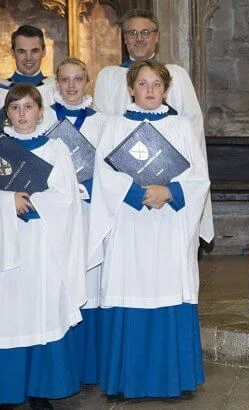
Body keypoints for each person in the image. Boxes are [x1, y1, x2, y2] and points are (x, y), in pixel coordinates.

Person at [87, 60, 211, 398]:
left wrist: (169, 192)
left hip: (169, 224)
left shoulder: (182, 126)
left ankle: (175, 380)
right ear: (131, 88)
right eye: (143, 84)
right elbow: (104, 176)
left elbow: (199, 177)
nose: (151, 90)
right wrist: (137, 194)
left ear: (166, 89)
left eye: (157, 84)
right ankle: (126, 381)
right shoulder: (113, 126)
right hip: (129, 224)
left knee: (169, 285)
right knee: (129, 285)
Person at [93, 8, 213, 243]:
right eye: (133, 33)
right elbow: (102, 131)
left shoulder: (175, 74)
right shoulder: (109, 76)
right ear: (124, 38)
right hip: (126, 191)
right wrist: (131, 186)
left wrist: (172, 185)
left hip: (169, 185)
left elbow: (193, 128)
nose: (139, 38)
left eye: (145, 32)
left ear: (157, 36)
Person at [0, 85, 85, 409]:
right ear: (7, 113)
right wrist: (9, 201)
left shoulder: (55, 149)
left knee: (41, 309)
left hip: (42, 243)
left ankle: (40, 389)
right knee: (8, 313)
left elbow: (67, 197)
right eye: (15, 108)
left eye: (28, 107)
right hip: (7, 246)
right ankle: (8, 387)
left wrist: (33, 201)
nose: (22, 114)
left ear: (40, 111)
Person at [43, 57, 106, 385]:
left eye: (78, 79)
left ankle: (89, 369)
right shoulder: (43, 120)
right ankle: (59, 369)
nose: (71, 86)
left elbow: (112, 171)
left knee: (90, 284)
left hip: (88, 215)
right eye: (65, 79)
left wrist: (90, 187)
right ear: (56, 82)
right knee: (57, 285)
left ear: (87, 82)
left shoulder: (103, 123)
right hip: (54, 219)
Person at [0, 25, 55, 126]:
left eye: (34, 51)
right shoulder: (1, 89)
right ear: (12, 53)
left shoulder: (56, 89)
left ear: (44, 51)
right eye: (22, 52)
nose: (28, 58)